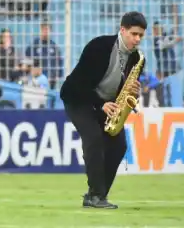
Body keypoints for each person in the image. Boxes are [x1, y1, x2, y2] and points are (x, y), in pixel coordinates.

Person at [60, 11, 147, 209]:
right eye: (134, 34)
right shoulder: (98, 47)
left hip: (107, 105)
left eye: (141, 35)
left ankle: (97, 195)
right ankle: (96, 196)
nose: (137, 39)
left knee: (119, 147)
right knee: (93, 138)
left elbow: (123, 91)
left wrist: (133, 90)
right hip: (78, 100)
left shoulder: (138, 59)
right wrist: (100, 104)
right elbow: (77, 85)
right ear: (122, 30)